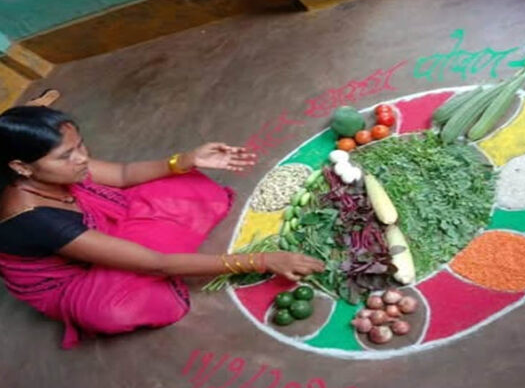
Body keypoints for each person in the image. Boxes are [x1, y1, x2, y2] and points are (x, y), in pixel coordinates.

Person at [0, 106, 324, 349]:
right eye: (66, 155)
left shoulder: (62, 169)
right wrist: (261, 260)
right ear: (21, 168)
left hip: (101, 230)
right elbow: (156, 263)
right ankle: (152, 248)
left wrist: (185, 160)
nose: (82, 158)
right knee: (115, 310)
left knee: (191, 185)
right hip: (78, 278)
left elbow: (123, 175)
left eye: (81, 145)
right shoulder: (34, 218)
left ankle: (148, 240)